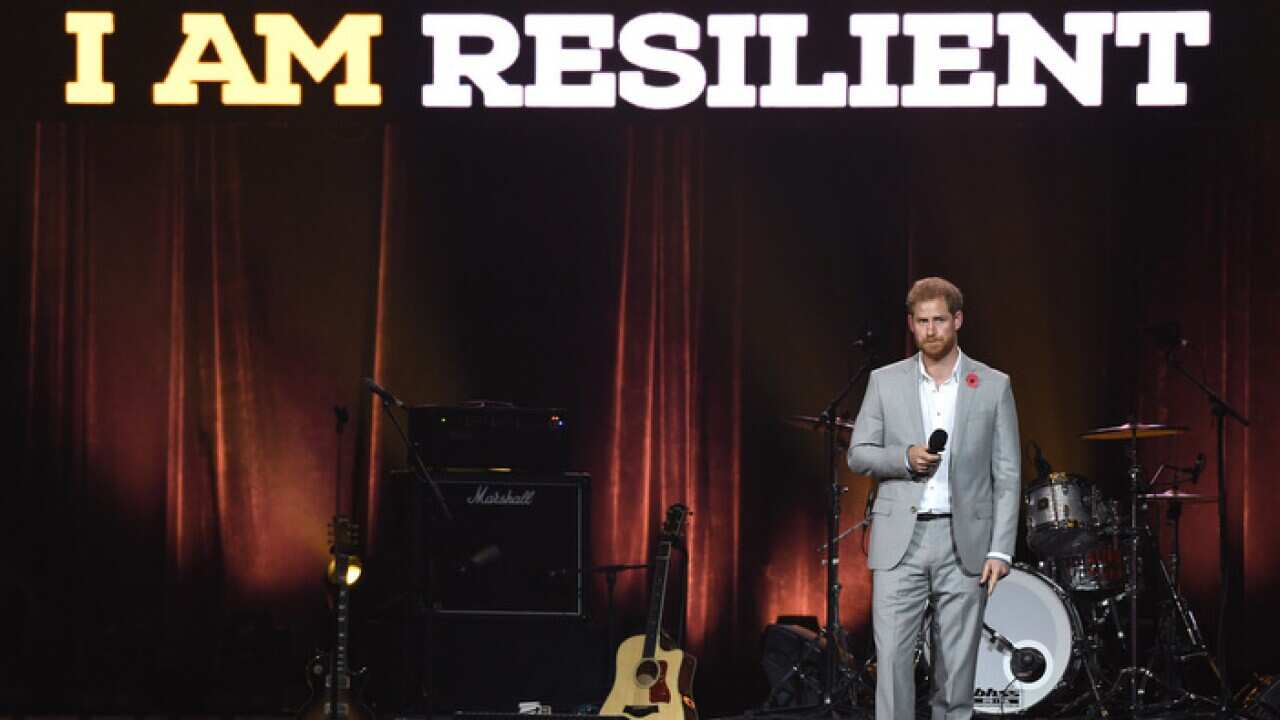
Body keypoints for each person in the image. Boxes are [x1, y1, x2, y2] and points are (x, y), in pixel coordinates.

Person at [847, 277, 1021, 720]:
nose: (931, 330)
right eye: (922, 322)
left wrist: (1000, 547)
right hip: (899, 541)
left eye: (939, 320)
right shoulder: (885, 382)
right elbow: (859, 453)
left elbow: (1007, 472)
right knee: (891, 664)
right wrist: (904, 458)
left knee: (957, 667)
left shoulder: (993, 385)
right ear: (911, 325)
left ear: (957, 320)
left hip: (964, 540)